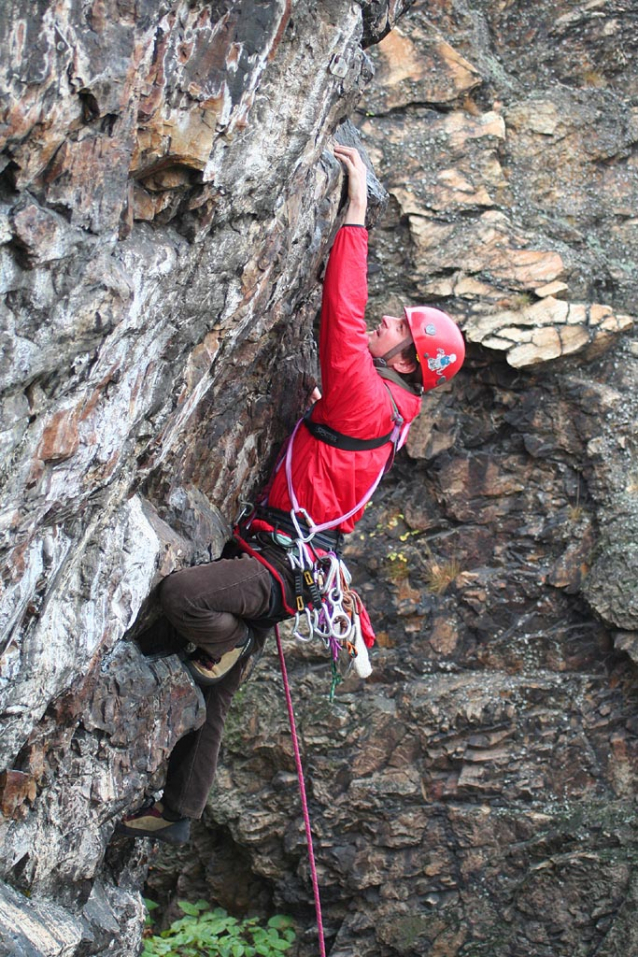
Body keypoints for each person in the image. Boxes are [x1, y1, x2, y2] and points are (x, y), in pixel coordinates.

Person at [116, 145, 465, 844]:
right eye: (394, 317)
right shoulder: (390, 408)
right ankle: (182, 810)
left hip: (279, 566)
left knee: (187, 598)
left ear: (406, 360)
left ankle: (229, 640)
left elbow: (340, 313)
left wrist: (356, 209)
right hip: (296, 560)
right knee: (214, 696)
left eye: (398, 327)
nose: (385, 323)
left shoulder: (369, 396)